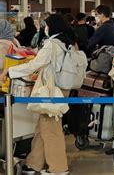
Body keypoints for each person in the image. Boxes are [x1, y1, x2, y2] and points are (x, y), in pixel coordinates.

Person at [9, 14, 74, 174]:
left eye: (46, 25)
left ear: (52, 26)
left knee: (51, 130)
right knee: (42, 127)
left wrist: (9, 71)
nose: (45, 27)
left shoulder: (52, 43)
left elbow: (35, 64)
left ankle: (58, 168)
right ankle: (33, 164)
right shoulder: (66, 41)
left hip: (52, 90)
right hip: (61, 88)